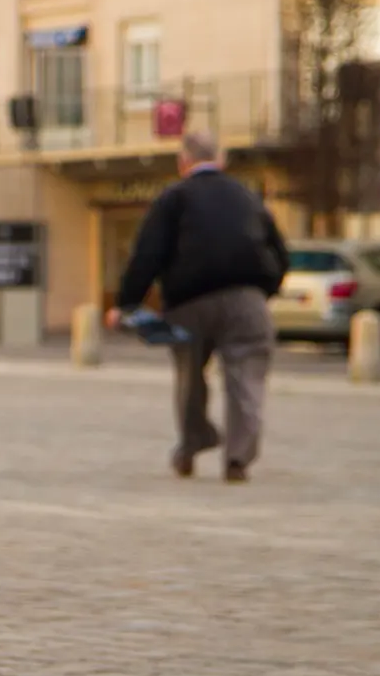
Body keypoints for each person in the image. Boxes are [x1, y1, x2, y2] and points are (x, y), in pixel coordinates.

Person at [106, 133, 288, 483]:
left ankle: (193, 443)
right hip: (245, 297)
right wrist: (265, 290)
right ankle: (238, 457)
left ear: (182, 162)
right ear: (220, 160)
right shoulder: (247, 196)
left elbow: (148, 255)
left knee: (190, 374)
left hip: (189, 300)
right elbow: (278, 252)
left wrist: (126, 303)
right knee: (246, 377)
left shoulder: (173, 199)